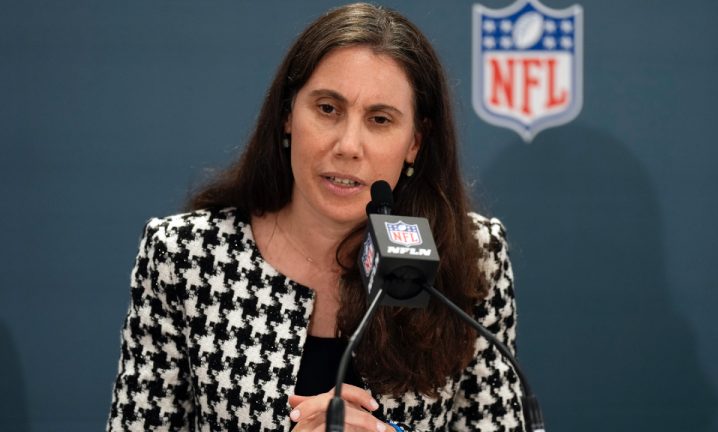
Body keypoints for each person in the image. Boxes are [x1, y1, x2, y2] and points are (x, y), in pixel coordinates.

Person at [107, 3, 524, 431]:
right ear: (288, 116)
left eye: (380, 119)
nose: (347, 145)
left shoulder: (471, 254)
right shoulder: (187, 258)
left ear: (415, 142)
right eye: (328, 109)